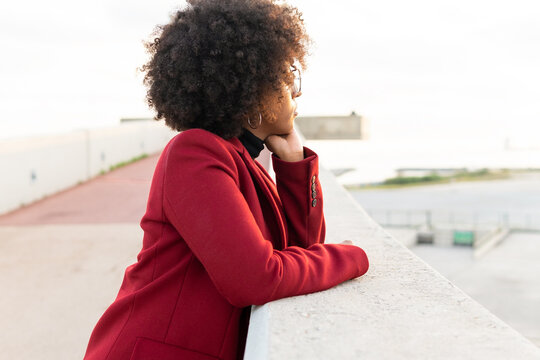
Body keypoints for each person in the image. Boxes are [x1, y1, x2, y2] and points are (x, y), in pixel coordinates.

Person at [83, 1, 369, 359]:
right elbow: (255, 279)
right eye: (285, 77)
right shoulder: (194, 154)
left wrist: (294, 163)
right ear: (252, 88)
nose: (297, 92)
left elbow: (302, 249)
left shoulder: (243, 161)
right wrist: (353, 257)